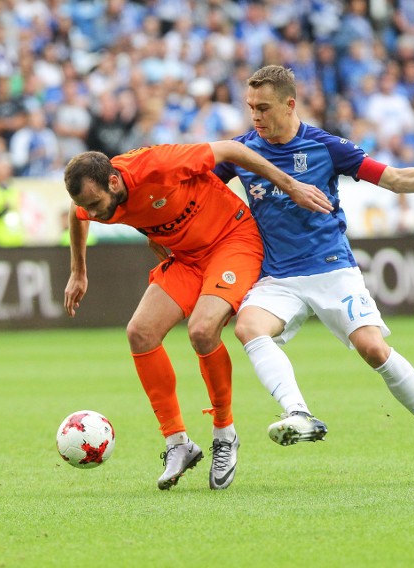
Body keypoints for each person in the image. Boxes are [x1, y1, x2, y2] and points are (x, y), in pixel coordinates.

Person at [213, 65, 414, 469]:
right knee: (248, 327)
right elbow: (197, 188)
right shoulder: (241, 151)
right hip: (277, 275)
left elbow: (395, 178)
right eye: (250, 108)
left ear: (290, 105)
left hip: (332, 270)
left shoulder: (327, 147)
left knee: (373, 349)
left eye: (263, 107)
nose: (255, 116)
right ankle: (298, 412)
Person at [63, 142, 331, 490]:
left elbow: (233, 150)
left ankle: (225, 434)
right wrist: (78, 272)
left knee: (202, 331)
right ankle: (178, 444)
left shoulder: (159, 165)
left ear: (114, 182)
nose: (94, 215)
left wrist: (290, 185)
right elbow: (75, 213)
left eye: (95, 205)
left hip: (231, 241)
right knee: (140, 333)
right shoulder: (92, 198)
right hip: (187, 257)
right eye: (88, 207)